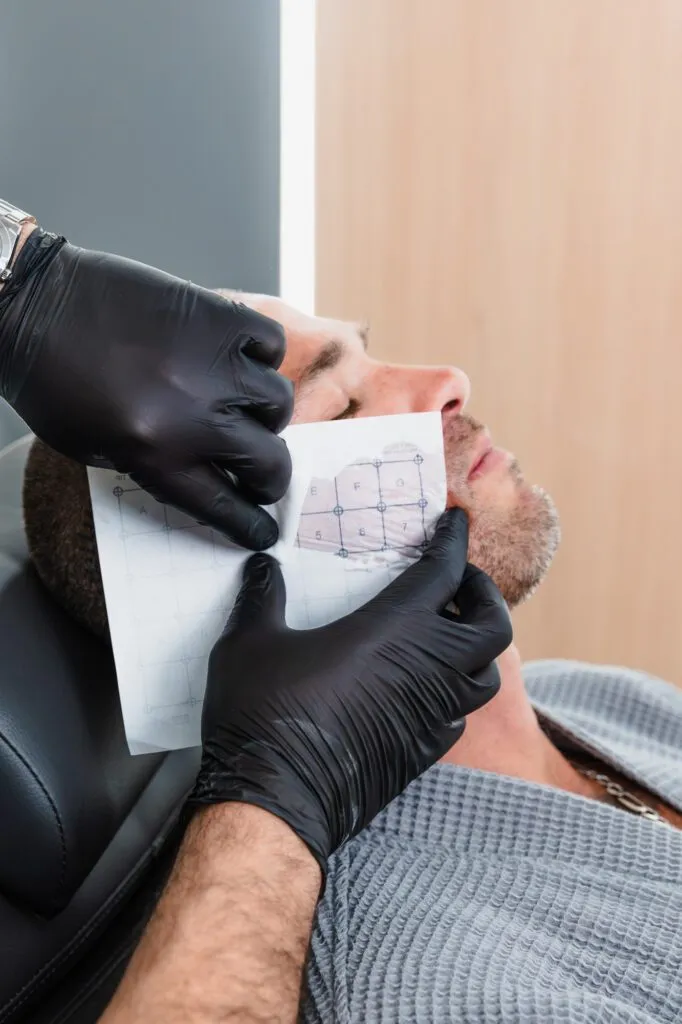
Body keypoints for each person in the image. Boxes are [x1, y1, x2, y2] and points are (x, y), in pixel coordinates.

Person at [25, 291, 682, 1022]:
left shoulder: (606, 699)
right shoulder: (432, 982)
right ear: (217, 574)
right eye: (339, 404)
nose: (449, 380)